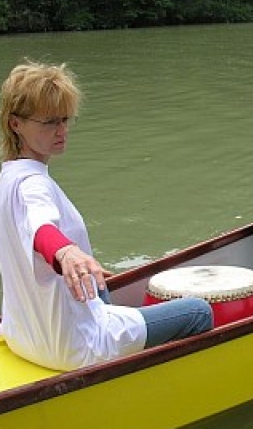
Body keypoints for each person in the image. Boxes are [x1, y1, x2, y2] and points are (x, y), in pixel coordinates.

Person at [0, 61, 213, 371]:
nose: (62, 131)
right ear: (16, 123)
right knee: (199, 312)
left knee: (100, 284)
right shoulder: (34, 185)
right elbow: (41, 227)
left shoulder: (7, 177)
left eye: (65, 119)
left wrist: (77, 259)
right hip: (72, 347)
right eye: (49, 122)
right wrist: (66, 251)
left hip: (23, 335)